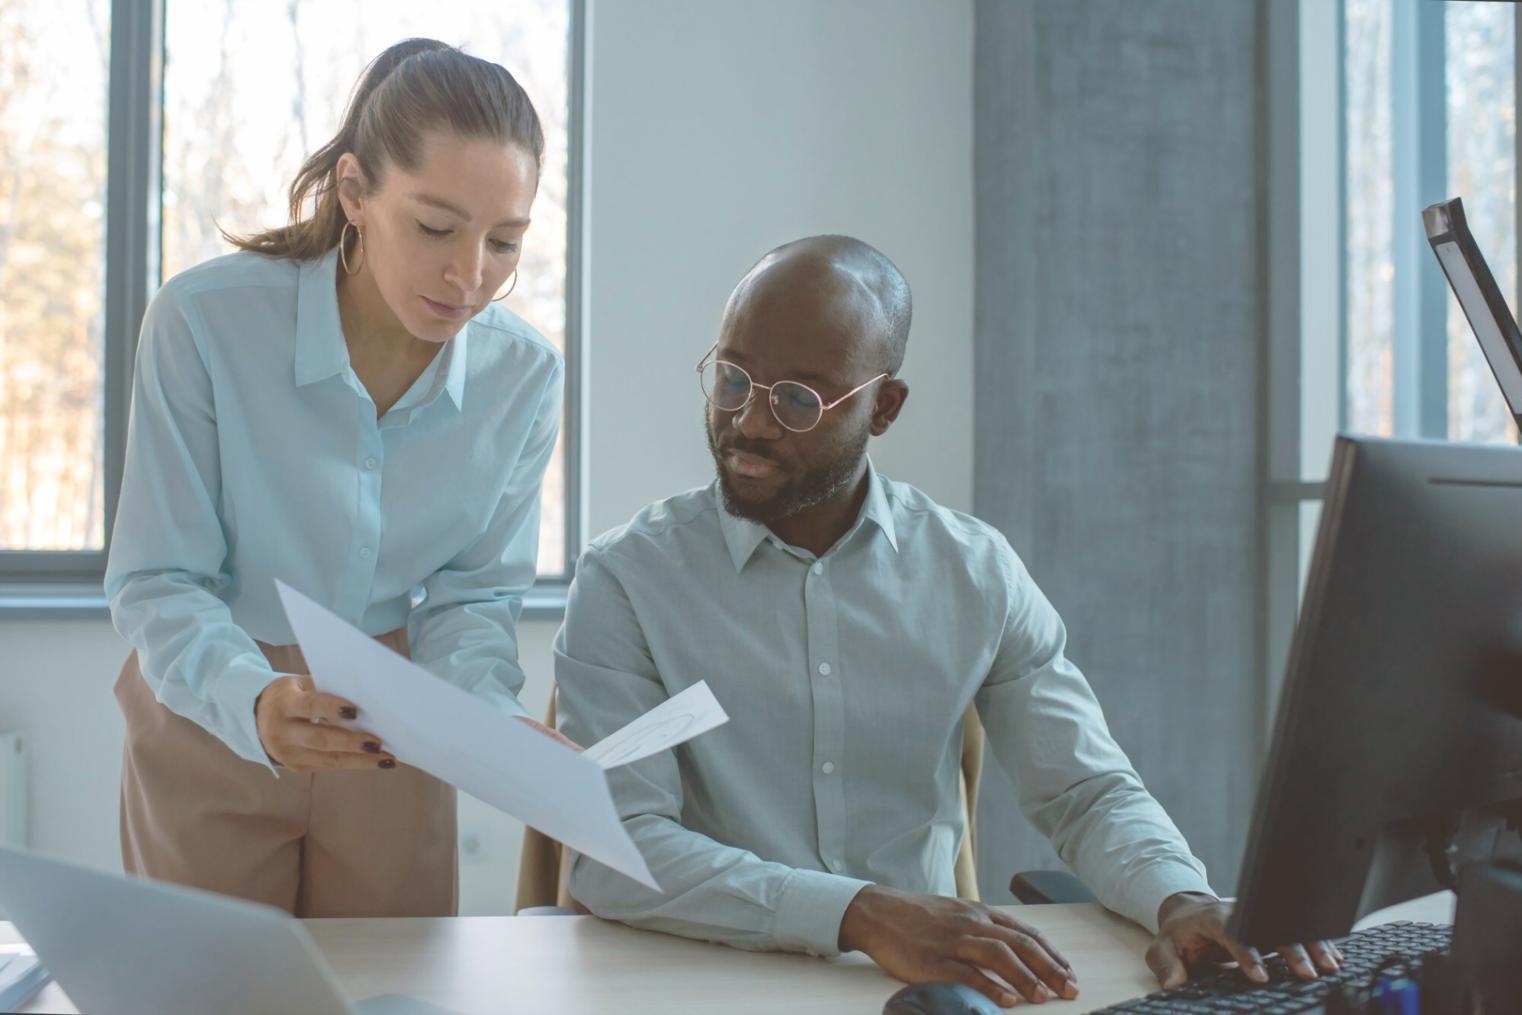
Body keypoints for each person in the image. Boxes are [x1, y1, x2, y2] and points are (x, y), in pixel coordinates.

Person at [553, 235, 1342, 1006]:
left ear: (883, 407)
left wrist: (1180, 898)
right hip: (695, 983)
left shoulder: (974, 572)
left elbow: (1086, 792)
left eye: (798, 398)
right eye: (732, 380)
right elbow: (617, 850)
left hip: (919, 995)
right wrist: (859, 911)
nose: (750, 424)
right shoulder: (629, 580)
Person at [106, 38, 564, 918]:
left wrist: (488, 724)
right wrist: (252, 698)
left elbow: (474, 601)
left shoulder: (525, 377)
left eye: (505, 242)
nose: (471, 276)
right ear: (354, 190)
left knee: (390, 990)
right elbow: (158, 577)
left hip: (398, 728)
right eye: (437, 227)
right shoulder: (203, 324)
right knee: (207, 992)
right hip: (213, 704)